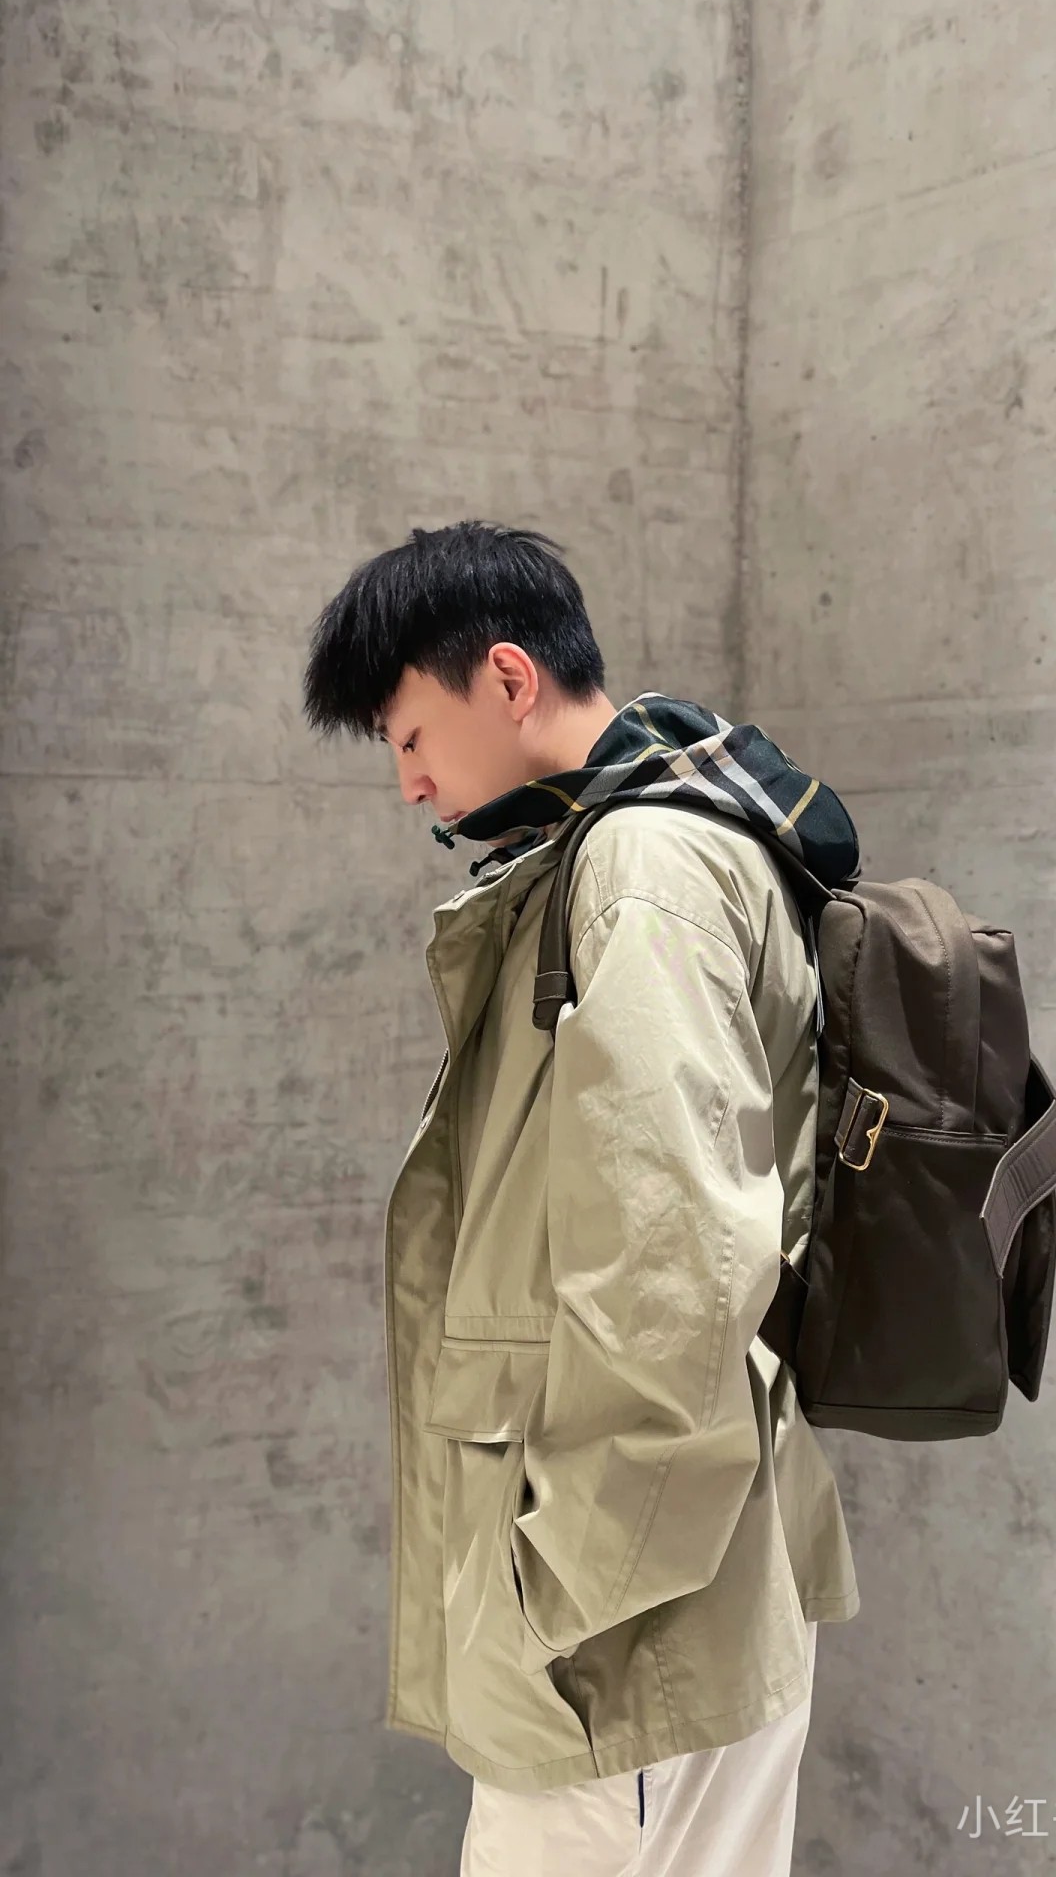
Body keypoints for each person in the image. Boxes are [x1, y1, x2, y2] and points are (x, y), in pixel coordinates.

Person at [302, 520, 862, 1874]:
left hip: (625, 1644)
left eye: (410, 735)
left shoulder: (640, 871)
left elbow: (678, 1271)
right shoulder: (663, 840)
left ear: (507, 677)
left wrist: (561, 1593)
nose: (410, 782)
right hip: (671, 1603)